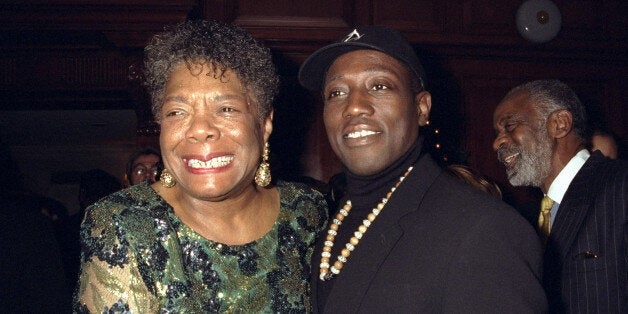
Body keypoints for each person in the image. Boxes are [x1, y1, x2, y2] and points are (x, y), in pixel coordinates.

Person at [74, 19, 327, 313]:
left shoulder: (307, 210)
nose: (200, 129)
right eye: (177, 112)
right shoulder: (123, 223)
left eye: (226, 109)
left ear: (265, 123)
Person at [298, 25, 546, 312]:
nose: (354, 107)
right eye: (336, 92)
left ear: (421, 108)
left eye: (379, 86)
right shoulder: (331, 222)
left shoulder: (485, 229)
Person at [492, 79, 627, 313]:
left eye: (510, 125)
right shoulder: (523, 220)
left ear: (560, 124)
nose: (497, 143)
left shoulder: (620, 187)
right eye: (497, 132)